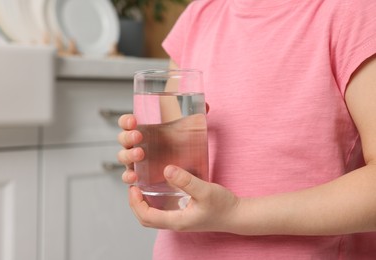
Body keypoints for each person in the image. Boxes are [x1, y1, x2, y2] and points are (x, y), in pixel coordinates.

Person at [117, 0, 376, 259]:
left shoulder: (354, 12)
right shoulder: (199, 14)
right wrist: (150, 160)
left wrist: (236, 213)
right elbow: (176, 166)